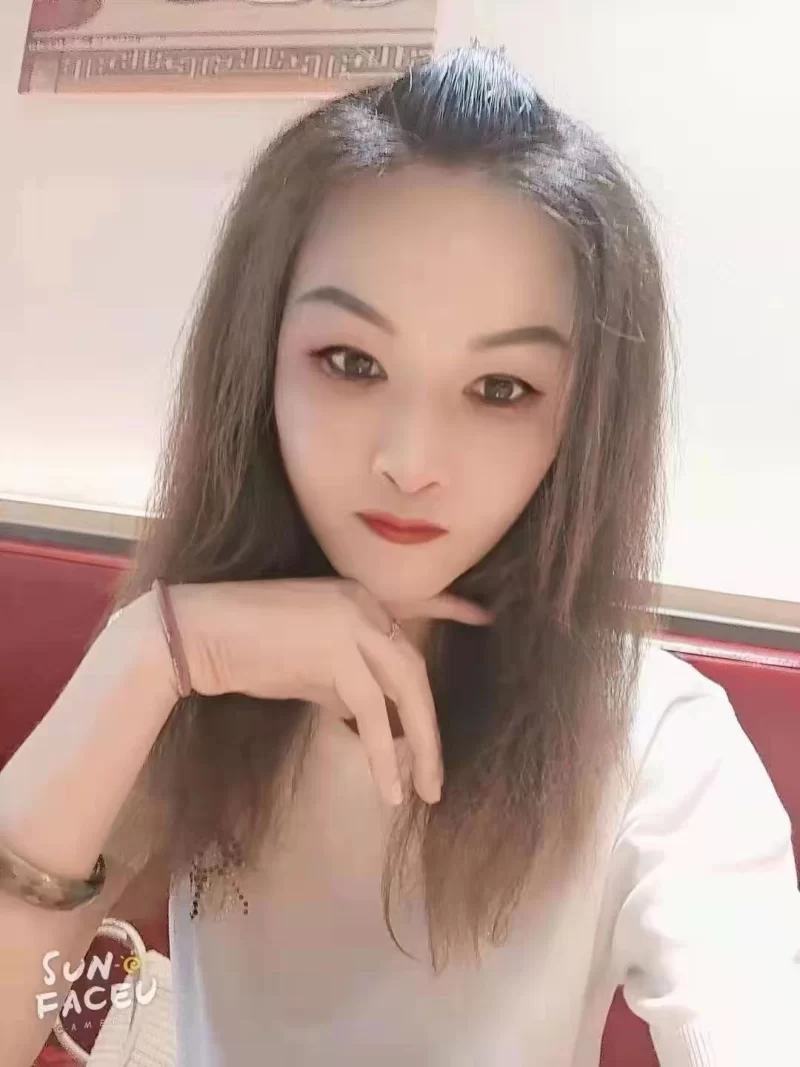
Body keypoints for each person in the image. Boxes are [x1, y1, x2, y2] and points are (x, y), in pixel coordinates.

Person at [1, 45, 798, 1067]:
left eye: (501, 388)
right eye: (350, 361)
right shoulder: (193, 681)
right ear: (259, 365)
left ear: (580, 422)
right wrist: (150, 648)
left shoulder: (657, 742)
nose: (411, 462)